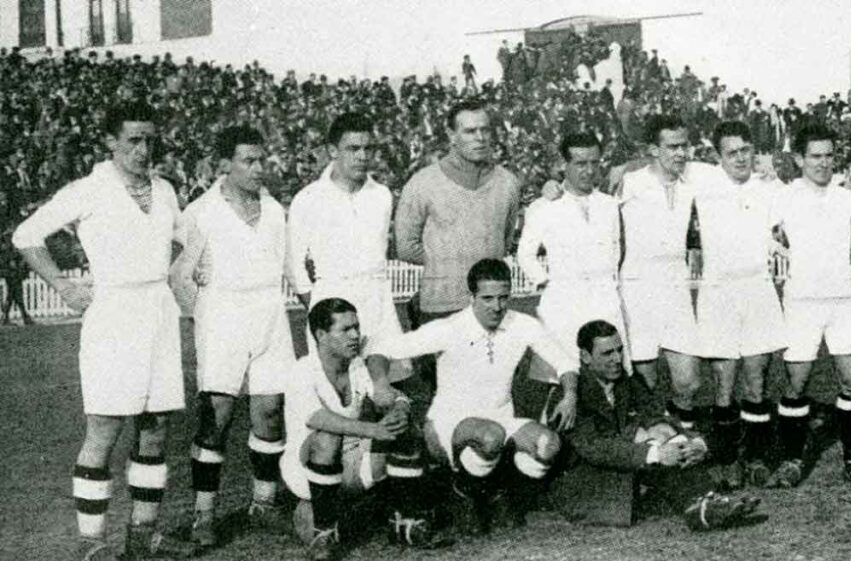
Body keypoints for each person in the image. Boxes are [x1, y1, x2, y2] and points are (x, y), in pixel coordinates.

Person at [12, 101, 196, 560]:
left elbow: (185, 238)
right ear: (111, 142)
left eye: (150, 140)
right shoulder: (88, 189)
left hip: (158, 311)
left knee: (155, 428)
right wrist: (62, 285)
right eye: (134, 140)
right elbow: (25, 235)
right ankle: (91, 542)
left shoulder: (164, 190)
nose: (143, 149)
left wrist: (188, 271)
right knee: (105, 428)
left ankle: (143, 536)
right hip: (113, 314)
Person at [368, 259, 579, 533]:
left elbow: (565, 362)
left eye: (503, 297)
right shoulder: (450, 328)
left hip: (501, 421)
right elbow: (380, 351)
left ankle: (498, 493)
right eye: (487, 298)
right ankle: (463, 493)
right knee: (490, 436)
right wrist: (381, 384)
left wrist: (570, 395)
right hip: (448, 425)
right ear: (472, 297)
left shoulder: (523, 324)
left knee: (548, 445)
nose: (497, 306)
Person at [170, 126, 294, 547]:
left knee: (270, 410)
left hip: (270, 313)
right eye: (249, 161)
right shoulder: (201, 212)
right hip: (223, 314)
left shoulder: (274, 209)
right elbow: (179, 275)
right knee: (217, 414)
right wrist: (201, 317)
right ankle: (203, 514)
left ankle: (264, 503)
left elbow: (288, 265)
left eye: (262, 160)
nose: (259, 168)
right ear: (225, 165)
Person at [767, 122, 851, 488]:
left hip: (844, 299)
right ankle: (792, 461)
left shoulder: (846, 197)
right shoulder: (784, 196)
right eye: (815, 156)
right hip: (801, 301)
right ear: (799, 159)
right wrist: (778, 248)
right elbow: (760, 231)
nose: (823, 163)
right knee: (797, 382)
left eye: (829, 156)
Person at [553, 320, 761, 529]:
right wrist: (654, 453)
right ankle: (706, 505)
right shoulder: (569, 397)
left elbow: (656, 416)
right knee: (656, 449)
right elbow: (595, 448)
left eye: (619, 350)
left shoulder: (625, 382)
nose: (617, 359)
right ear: (585, 356)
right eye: (607, 353)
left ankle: (706, 504)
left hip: (626, 467)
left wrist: (696, 443)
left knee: (663, 432)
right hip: (589, 481)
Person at [279, 298, 432, 561]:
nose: (355, 335)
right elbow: (317, 418)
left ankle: (402, 519)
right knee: (328, 437)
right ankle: (323, 533)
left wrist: (399, 408)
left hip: (351, 460)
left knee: (403, 428)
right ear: (321, 335)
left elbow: (392, 395)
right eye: (345, 329)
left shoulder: (357, 367)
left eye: (356, 327)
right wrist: (372, 430)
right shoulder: (302, 370)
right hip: (305, 469)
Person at [394, 99, 520, 384]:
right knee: (447, 397)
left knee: (494, 391)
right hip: (442, 306)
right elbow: (406, 246)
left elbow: (504, 240)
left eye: (485, 130)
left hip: (490, 307)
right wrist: (450, 262)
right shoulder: (423, 183)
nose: (480, 138)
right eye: (470, 131)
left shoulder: (508, 182)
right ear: (452, 135)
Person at [692, 121, 786, 490]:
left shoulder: (770, 187)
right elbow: (650, 167)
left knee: (757, 380)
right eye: (732, 152)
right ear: (718, 156)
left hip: (758, 287)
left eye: (746, 150)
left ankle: (756, 457)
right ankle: (729, 459)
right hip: (718, 291)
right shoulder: (701, 180)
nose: (740, 158)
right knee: (723, 382)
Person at [287, 112, 411, 382]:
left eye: (368, 148)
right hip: (332, 299)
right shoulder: (307, 199)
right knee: (338, 389)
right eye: (353, 149)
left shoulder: (382, 195)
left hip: (378, 301)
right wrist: (321, 308)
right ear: (333, 150)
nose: (362, 156)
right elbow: (294, 267)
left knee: (387, 387)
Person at [517, 132, 629, 383]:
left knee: (610, 371)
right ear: (563, 164)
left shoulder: (609, 205)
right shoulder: (544, 206)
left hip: (604, 297)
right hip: (564, 300)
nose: (589, 171)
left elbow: (616, 250)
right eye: (580, 163)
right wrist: (546, 282)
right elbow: (525, 254)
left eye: (594, 163)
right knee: (565, 372)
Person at [617, 115, 704, 428]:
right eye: (672, 147)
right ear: (653, 149)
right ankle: (657, 442)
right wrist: (554, 187)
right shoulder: (628, 181)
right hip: (637, 288)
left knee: (689, 381)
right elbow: (586, 193)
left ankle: (680, 429)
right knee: (645, 382)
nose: (681, 153)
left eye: (684, 146)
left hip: (676, 286)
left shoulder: (694, 180)